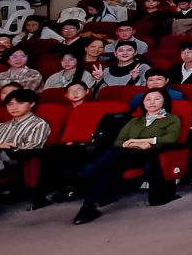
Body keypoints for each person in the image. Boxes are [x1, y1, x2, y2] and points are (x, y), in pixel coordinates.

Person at [73, 88, 182, 223]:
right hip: (128, 154)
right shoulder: (135, 121)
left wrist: (141, 142)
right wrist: (137, 144)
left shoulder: (171, 118)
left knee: (112, 153)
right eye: (148, 99)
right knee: (108, 163)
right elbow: (119, 141)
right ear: (143, 103)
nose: (152, 102)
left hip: (151, 155)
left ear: (164, 102)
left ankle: (80, 179)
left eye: (157, 99)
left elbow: (170, 138)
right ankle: (89, 206)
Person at [0, 88, 54, 206]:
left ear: (32, 103)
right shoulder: (1, 126)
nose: (14, 107)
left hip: (14, 159)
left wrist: (1, 148)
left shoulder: (39, 124)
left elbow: (33, 147)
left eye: (20, 103)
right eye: (10, 104)